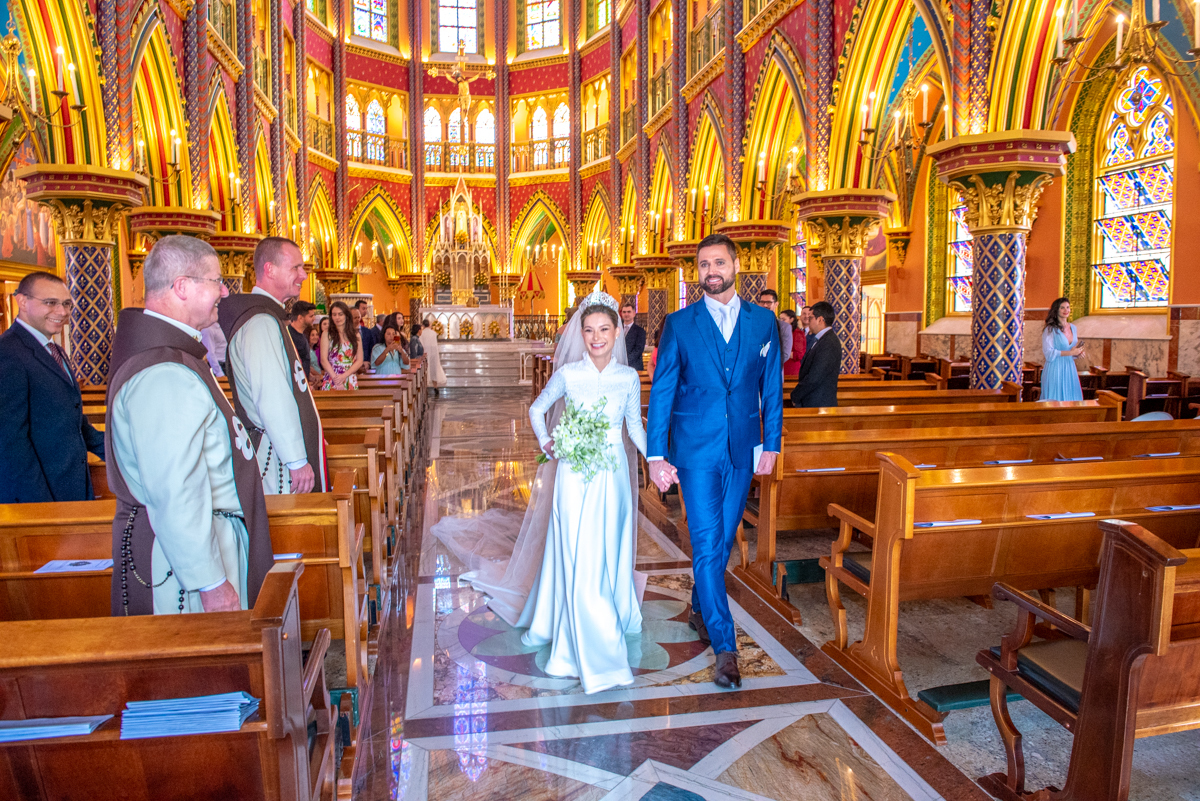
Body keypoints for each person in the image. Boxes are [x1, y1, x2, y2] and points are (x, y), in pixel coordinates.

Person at [430, 290, 647, 695]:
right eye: (588, 330)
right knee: (576, 550)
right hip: (572, 475)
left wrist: (657, 458)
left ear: (617, 332)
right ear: (579, 334)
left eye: (604, 329)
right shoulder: (569, 375)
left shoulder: (628, 378)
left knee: (607, 546)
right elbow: (536, 409)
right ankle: (582, 640)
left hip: (612, 476)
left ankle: (606, 613)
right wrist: (549, 442)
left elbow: (633, 427)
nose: (596, 337)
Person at [105, 235, 272, 616]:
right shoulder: (164, 373)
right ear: (182, 286)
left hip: (209, 538)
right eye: (216, 280)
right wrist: (209, 582)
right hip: (190, 565)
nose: (224, 291)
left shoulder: (174, 358)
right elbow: (176, 489)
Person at [646, 233, 783, 689]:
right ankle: (726, 648)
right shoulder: (680, 324)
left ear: (735, 265)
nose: (711, 271)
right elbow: (663, 389)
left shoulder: (763, 323)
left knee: (723, 540)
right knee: (707, 544)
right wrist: (655, 453)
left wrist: (772, 444)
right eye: (704, 265)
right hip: (695, 451)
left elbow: (772, 389)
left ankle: (701, 609)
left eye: (718, 262)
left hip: (743, 446)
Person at [218, 236, 325, 495]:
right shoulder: (261, 323)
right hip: (277, 459)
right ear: (269, 269)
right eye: (296, 268)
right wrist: (297, 460)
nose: (303, 275)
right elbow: (272, 395)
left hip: (279, 451)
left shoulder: (267, 317)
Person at [0, 270, 105, 503]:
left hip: (72, 485)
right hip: (42, 494)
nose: (62, 312)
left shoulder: (54, 349)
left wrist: (121, 454)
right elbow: (10, 442)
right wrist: (40, 507)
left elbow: (73, 422)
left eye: (67, 304)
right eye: (51, 303)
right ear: (22, 301)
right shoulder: (7, 353)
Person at [790, 301, 841, 408]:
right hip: (813, 401)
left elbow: (815, 376)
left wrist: (795, 395)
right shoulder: (820, 339)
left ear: (820, 319)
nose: (808, 321)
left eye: (811, 318)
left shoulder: (829, 342)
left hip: (819, 403)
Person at [1041, 297, 1085, 402]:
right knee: (1055, 399)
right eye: (1062, 308)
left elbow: (1070, 350)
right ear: (1056, 310)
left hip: (1069, 367)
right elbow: (1049, 353)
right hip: (1055, 367)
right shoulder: (1050, 329)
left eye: (1068, 307)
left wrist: (1077, 353)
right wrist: (1070, 352)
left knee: (1072, 398)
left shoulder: (1073, 328)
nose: (1066, 310)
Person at [320, 301, 363, 390]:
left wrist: (344, 376)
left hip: (349, 376)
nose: (337, 317)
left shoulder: (355, 335)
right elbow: (323, 359)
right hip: (332, 376)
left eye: (340, 314)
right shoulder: (327, 334)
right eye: (334, 314)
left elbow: (360, 360)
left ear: (346, 315)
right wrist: (336, 379)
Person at [757, 289, 793, 367]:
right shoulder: (753, 324)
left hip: (774, 369)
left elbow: (785, 354)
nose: (765, 305)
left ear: (776, 304)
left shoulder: (784, 327)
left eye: (769, 302)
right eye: (762, 302)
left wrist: (765, 365)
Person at [287, 300, 317, 375]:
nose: (314, 319)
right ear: (300, 318)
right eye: (311, 316)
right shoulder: (290, 336)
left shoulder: (301, 335)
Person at [419, 319, 447, 389]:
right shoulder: (433, 333)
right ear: (429, 325)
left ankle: (425, 387)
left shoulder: (421, 333)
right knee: (434, 369)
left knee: (426, 369)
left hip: (425, 353)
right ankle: (435, 386)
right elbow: (435, 345)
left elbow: (421, 344)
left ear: (423, 325)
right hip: (433, 353)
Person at [619, 302, 646, 371]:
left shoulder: (640, 331)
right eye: (624, 312)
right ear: (621, 314)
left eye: (629, 312)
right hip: (618, 365)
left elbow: (638, 350)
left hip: (634, 367)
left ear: (634, 314)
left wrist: (624, 361)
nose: (626, 314)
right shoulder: (617, 329)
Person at [780, 309, 804, 376]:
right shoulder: (781, 332)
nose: (781, 322)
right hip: (782, 365)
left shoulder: (797, 333)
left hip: (791, 368)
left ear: (791, 319)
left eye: (783, 319)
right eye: (780, 319)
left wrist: (784, 352)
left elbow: (799, 354)